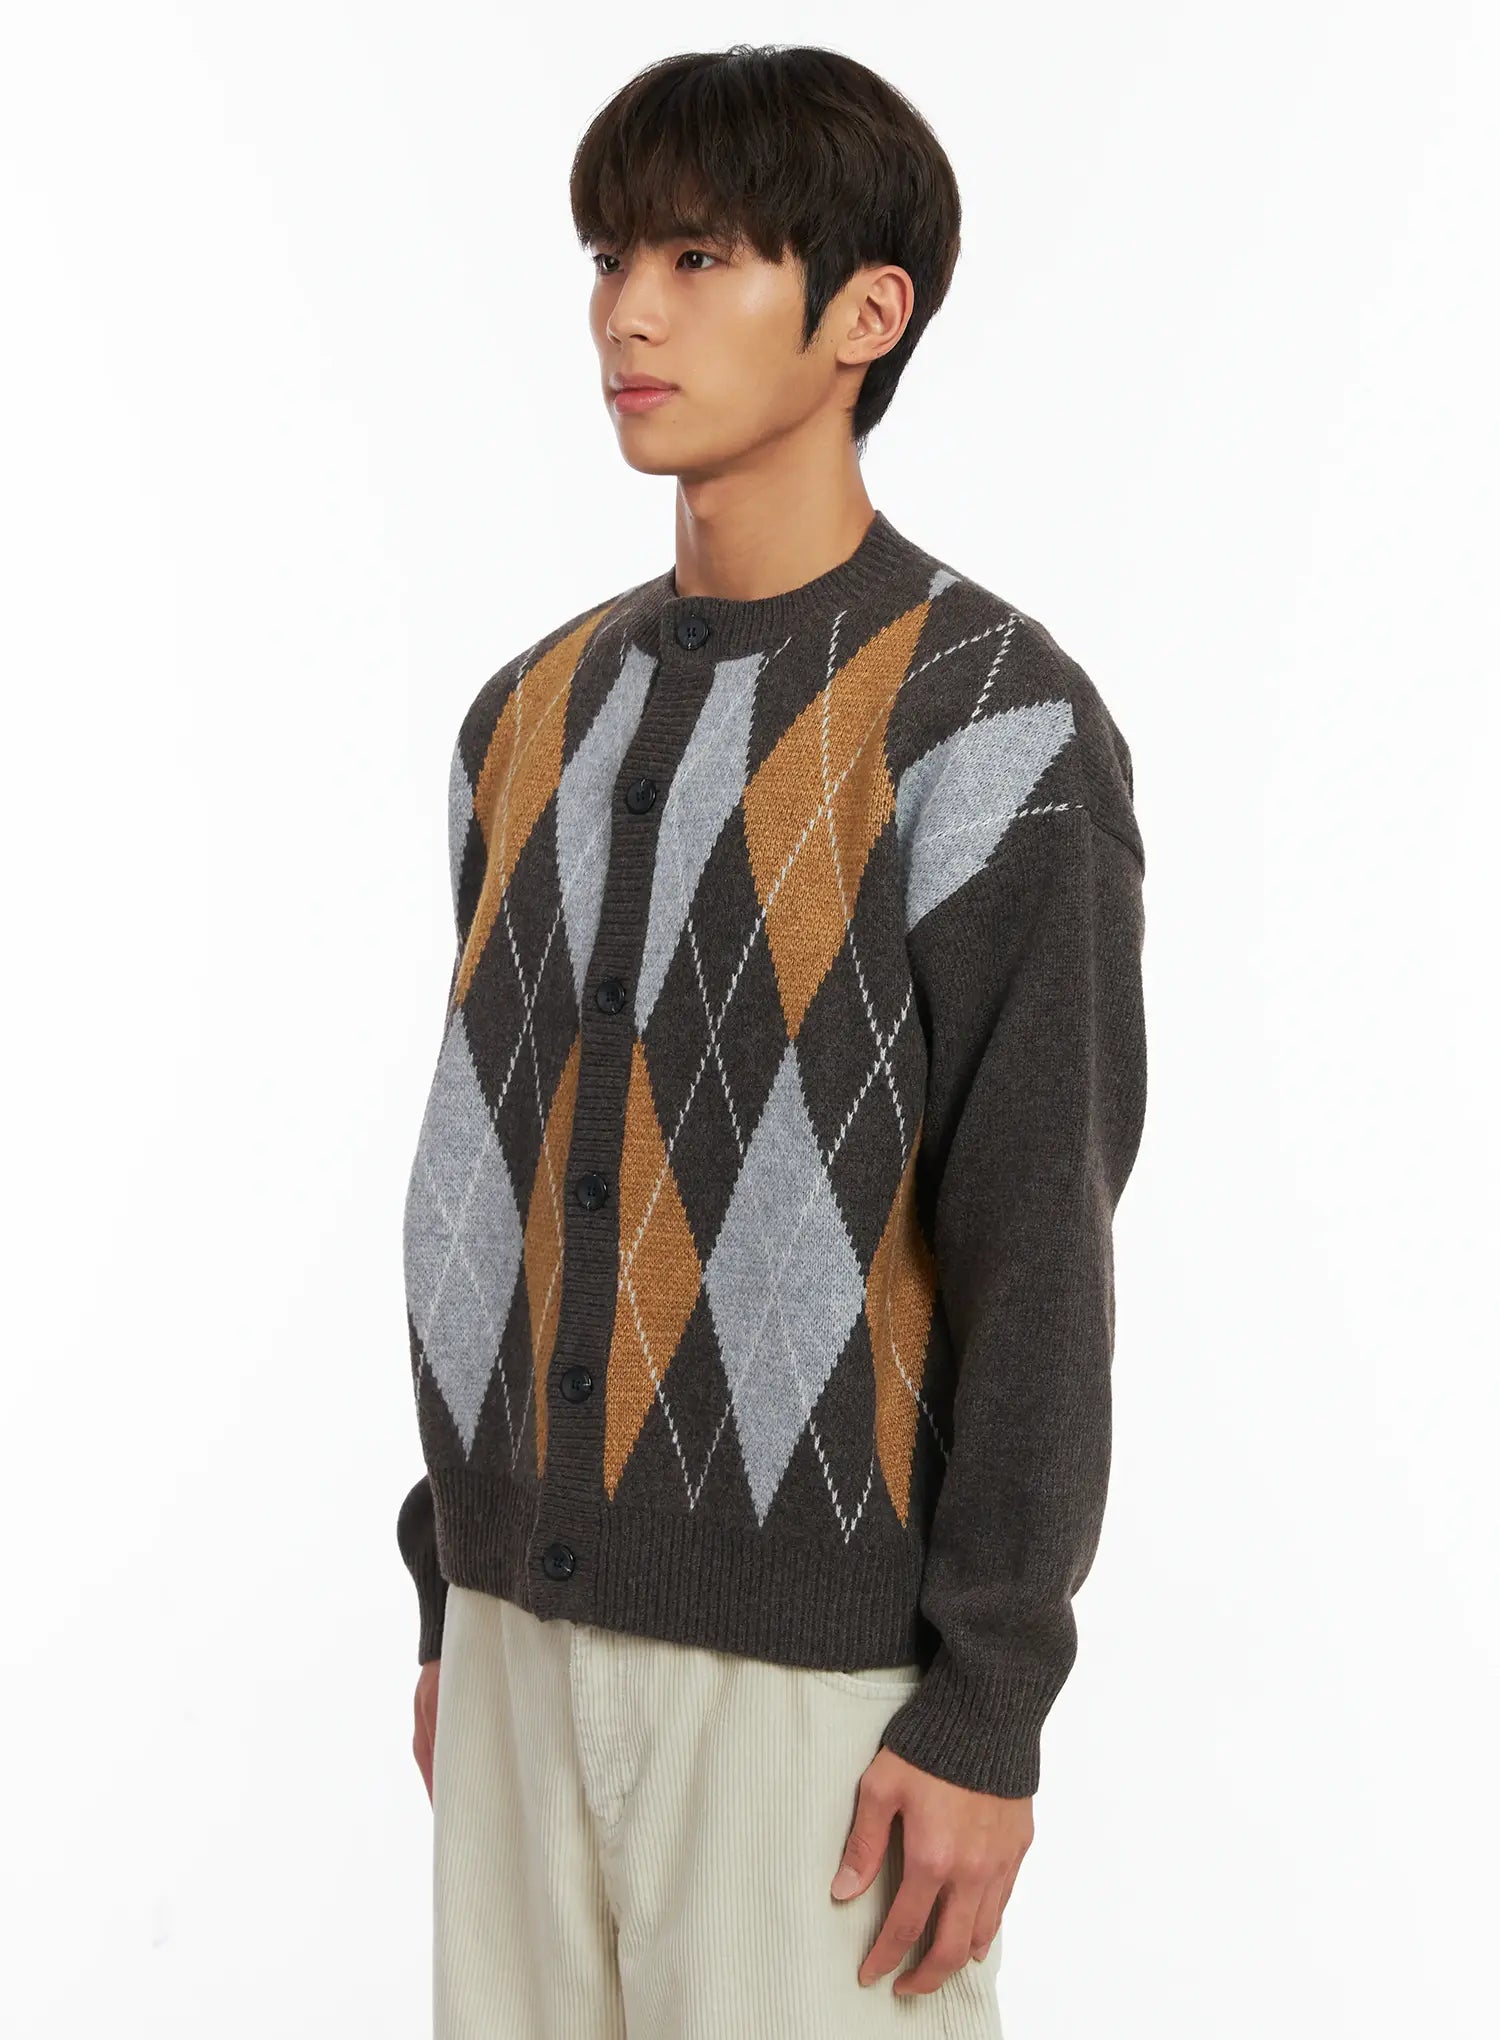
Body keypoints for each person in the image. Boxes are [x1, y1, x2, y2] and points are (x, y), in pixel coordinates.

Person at [396, 42, 1148, 2039]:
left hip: (813, 1690)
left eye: (701, 259)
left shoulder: (991, 725)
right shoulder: (525, 719)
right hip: (511, 1640)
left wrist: (988, 1707)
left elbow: (1039, 1246)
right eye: (610, 259)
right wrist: (449, 1588)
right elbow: (504, 1171)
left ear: (864, 315)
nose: (626, 317)